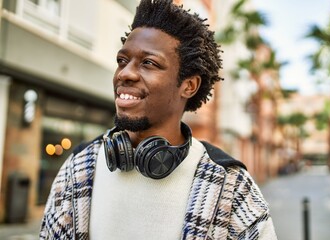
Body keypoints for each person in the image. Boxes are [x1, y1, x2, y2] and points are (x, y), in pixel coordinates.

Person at [40, 0, 277, 239]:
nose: (125, 73)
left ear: (189, 85)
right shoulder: (78, 167)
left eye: (148, 63)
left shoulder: (231, 187)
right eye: (122, 60)